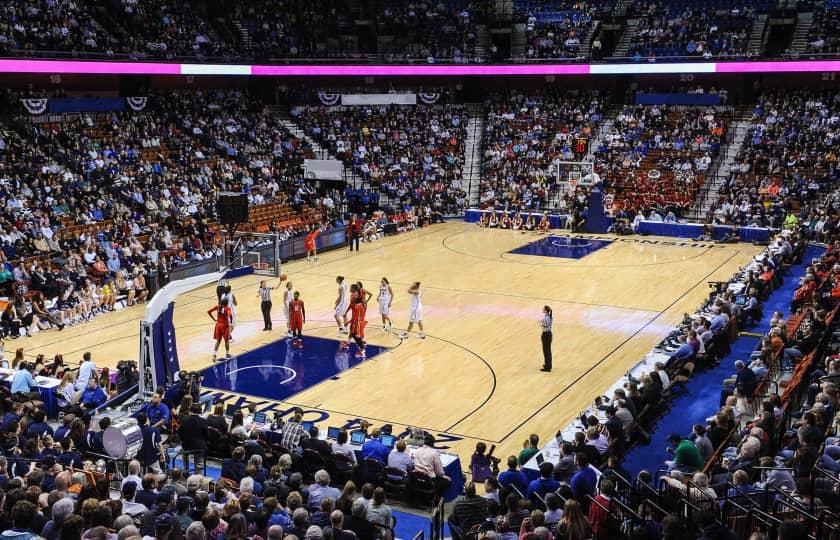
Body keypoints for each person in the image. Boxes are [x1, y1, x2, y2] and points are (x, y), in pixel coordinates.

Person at [347, 291, 367, 358]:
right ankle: (362, 349)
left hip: (358, 324)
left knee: (357, 337)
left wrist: (358, 331)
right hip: (356, 323)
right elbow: (355, 317)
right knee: (353, 335)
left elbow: (358, 319)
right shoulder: (358, 305)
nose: (352, 296)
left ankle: (362, 352)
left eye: (354, 295)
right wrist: (349, 322)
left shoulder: (358, 307)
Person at [540, 306, 553, 372]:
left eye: (543, 309)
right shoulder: (550, 317)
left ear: (545, 311)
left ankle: (547, 367)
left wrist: (541, 323)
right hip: (549, 334)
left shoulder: (546, 318)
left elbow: (544, 325)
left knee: (546, 351)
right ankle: (548, 365)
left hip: (546, 335)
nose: (542, 309)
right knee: (548, 350)